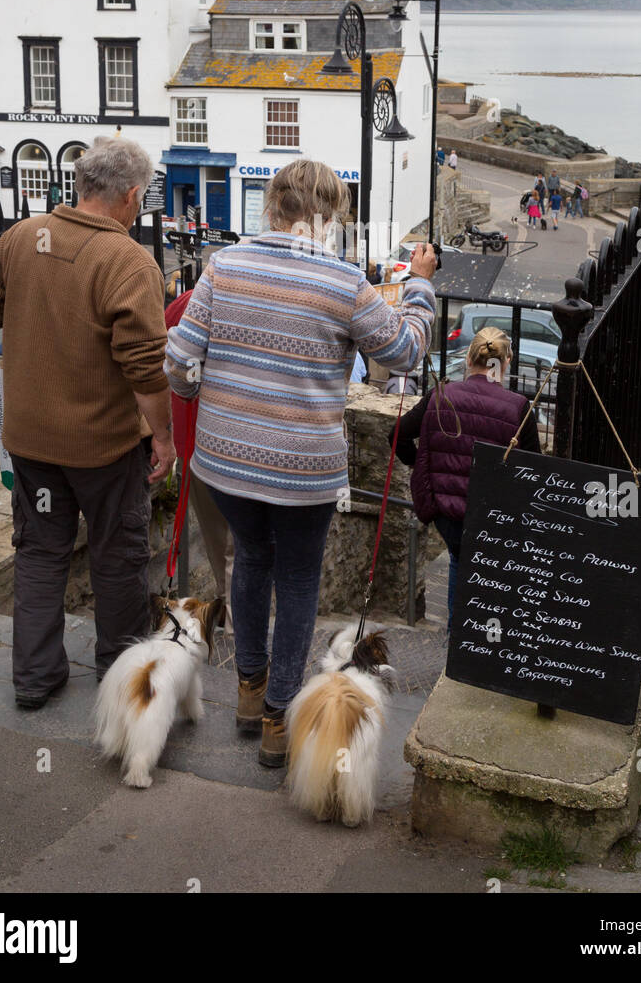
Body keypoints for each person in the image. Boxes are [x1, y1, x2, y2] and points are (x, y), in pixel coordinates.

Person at [164, 159, 437, 767]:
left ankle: (247, 689)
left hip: (225, 460)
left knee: (250, 560)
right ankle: (277, 720)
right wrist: (419, 287)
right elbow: (403, 351)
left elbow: (178, 363)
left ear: (272, 206)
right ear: (330, 214)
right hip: (303, 468)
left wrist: (204, 407)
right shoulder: (344, 283)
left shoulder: (224, 266)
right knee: (296, 580)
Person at [0, 138, 174, 708]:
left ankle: (34, 679)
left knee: (38, 552)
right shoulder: (129, 261)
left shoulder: (23, 237)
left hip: (32, 440)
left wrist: (37, 305)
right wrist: (164, 435)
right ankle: (120, 676)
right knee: (117, 554)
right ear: (131, 196)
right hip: (102, 446)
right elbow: (144, 367)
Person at [394, 328, 540, 626]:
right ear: (507, 361)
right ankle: (469, 646)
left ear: (469, 357)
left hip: (446, 511)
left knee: (461, 564)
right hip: (493, 514)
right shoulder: (517, 407)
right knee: (487, 576)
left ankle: (458, 642)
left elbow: (396, 434)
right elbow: (533, 469)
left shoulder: (441, 396)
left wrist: (419, 465)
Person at [165, 288, 234, 632]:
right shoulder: (246, 303)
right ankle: (241, 634)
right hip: (233, 446)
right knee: (241, 547)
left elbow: (165, 356)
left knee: (220, 545)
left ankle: (233, 619)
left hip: (194, 447)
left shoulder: (188, 302)